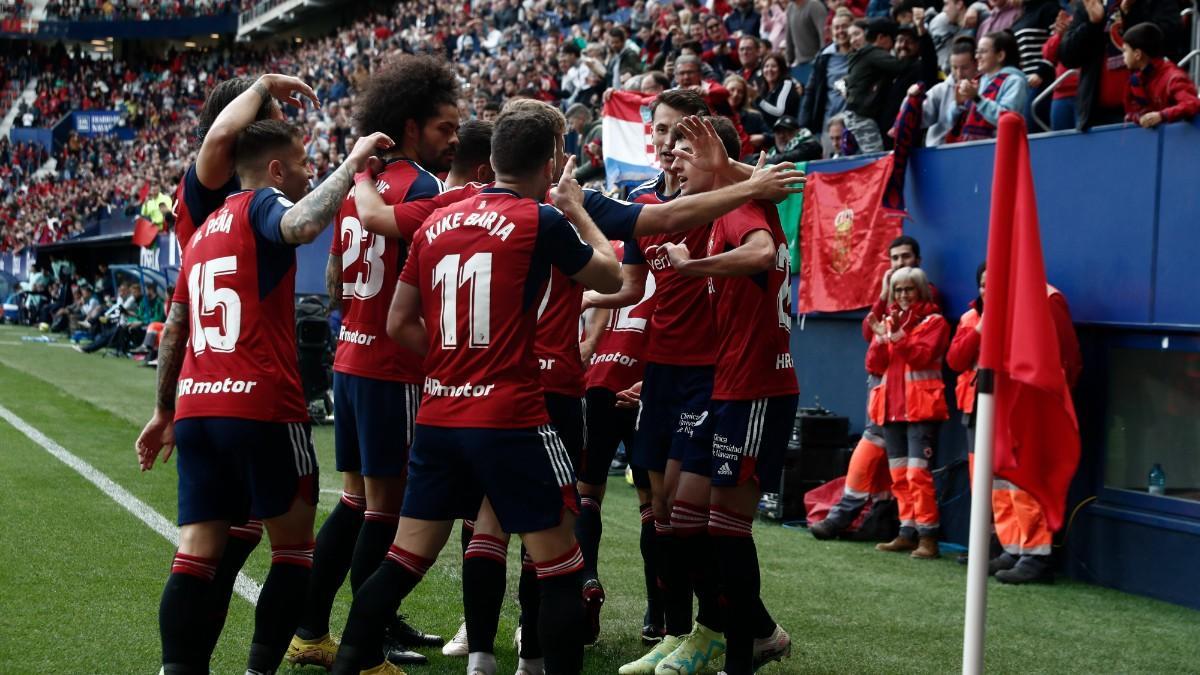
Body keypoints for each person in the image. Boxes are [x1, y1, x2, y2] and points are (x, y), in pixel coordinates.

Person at [328, 107, 623, 675]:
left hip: (439, 415)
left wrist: (451, 363)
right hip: (512, 415)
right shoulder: (541, 219)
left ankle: (348, 663)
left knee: (401, 562)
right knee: (560, 566)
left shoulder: (438, 222)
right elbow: (611, 278)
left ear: (492, 160)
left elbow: (398, 324)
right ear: (553, 158)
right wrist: (580, 213)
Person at [134, 119, 394, 675]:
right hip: (262, 406)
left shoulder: (203, 231)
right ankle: (259, 670)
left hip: (199, 407)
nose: (307, 172)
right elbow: (300, 224)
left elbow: (175, 326)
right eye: (302, 163)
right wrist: (352, 165)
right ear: (275, 168)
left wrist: (164, 411)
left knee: (196, 551)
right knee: (294, 551)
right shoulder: (264, 203)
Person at [286, 54, 457, 671]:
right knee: (386, 511)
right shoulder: (423, 187)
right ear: (411, 127)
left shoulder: (363, 183)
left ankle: (313, 627)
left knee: (358, 503)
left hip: (351, 357)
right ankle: (369, 636)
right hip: (392, 368)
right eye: (444, 127)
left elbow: (335, 277)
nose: (453, 139)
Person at [663, 116, 798, 675]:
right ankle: (740, 635)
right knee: (689, 519)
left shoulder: (738, 210)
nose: (673, 162)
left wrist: (693, 267)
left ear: (714, 158)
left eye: (684, 153)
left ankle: (743, 653)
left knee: (725, 530)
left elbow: (762, 254)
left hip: (757, 387)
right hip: (732, 385)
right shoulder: (730, 204)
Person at [946, 265, 1082, 584]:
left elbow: (1066, 359)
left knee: (1022, 478)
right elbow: (957, 359)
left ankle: (1036, 554)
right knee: (1000, 480)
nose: (988, 288)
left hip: (1024, 405)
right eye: (984, 284)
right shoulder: (984, 311)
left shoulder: (1046, 299)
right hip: (991, 401)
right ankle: (1014, 545)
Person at [809, 235, 938, 539]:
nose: (899, 265)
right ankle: (877, 522)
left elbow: (919, 349)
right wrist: (882, 297)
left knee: (908, 470)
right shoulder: (890, 301)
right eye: (894, 259)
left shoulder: (927, 302)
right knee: (886, 466)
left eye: (905, 258)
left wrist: (893, 336)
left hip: (912, 402)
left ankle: (913, 533)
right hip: (884, 396)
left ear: (917, 261)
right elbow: (870, 336)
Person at [866, 267, 950, 560]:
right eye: (898, 290)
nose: (902, 295)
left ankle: (928, 538)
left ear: (921, 290)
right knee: (899, 476)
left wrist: (896, 338)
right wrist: (879, 340)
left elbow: (921, 356)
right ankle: (906, 532)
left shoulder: (934, 322)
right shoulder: (889, 321)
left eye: (908, 289)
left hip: (920, 411)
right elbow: (874, 365)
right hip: (891, 409)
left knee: (918, 475)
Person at [1058, 0, 1184, 129]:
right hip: (1096, 117)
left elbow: (1171, 41)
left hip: (1148, 114)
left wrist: (1129, 14)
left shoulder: (1155, 3)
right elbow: (1068, 57)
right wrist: (1093, 25)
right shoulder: (1091, 3)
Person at [947, 31, 1031, 142]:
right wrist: (959, 105)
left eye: (982, 52)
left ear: (1000, 55)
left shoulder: (1015, 81)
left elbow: (1007, 119)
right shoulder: (978, 81)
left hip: (1001, 149)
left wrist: (977, 98)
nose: (977, 56)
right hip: (969, 148)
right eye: (977, 52)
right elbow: (950, 122)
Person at [842, 18, 907, 153]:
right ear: (881, 37)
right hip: (861, 115)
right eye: (893, 40)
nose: (895, 45)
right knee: (876, 158)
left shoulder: (864, 55)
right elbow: (900, 67)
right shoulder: (874, 54)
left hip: (856, 114)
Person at [1121, 22, 1200, 128]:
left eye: (1125, 50)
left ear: (1137, 54)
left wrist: (1162, 115)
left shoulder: (1174, 77)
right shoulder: (1136, 80)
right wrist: (1138, 117)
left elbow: (1192, 103)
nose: (1123, 55)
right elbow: (1130, 114)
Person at [914, 37, 980, 146]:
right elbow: (919, 120)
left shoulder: (987, 88)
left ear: (976, 64)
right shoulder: (939, 90)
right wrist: (912, 100)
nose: (959, 74)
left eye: (965, 68)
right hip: (940, 150)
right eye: (955, 67)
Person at [800, 9, 854, 137]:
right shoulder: (823, 57)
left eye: (844, 27)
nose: (840, 31)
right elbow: (811, 91)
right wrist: (804, 123)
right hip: (829, 123)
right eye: (837, 28)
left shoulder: (862, 53)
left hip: (855, 122)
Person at [786, 0, 829, 85]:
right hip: (800, 64)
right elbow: (789, 37)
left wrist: (822, 62)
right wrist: (789, 60)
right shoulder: (790, 8)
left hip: (816, 63)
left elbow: (824, 36)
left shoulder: (814, 6)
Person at [755, 51, 802, 128]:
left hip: (786, 131)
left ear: (781, 69)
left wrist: (757, 99)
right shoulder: (763, 89)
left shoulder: (787, 84)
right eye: (766, 66)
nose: (769, 69)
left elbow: (779, 111)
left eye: (773, 66)